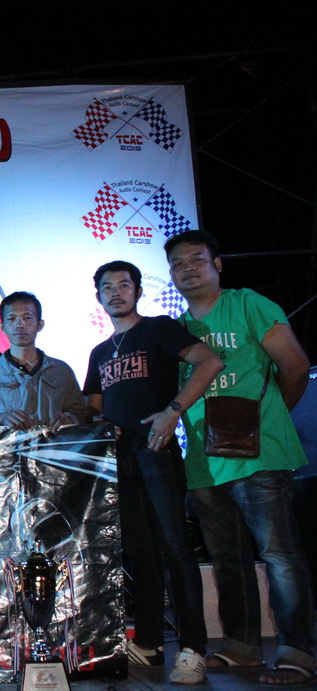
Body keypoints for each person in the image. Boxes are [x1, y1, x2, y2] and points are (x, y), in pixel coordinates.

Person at [165, 230, 315, 686]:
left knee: (279, 554)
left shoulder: (249, 303)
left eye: (197, 259)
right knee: (227, 558)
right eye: (178, 264)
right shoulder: (176, 328)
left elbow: (295, 367)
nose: (188, 269)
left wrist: (268, 418)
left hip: (260, 454)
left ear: (217, 264)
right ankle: (242, 645)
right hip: (203, 462)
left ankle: (297, 650)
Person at [83, 261, 223, 685]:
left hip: (157, 451)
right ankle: (147, 641)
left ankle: (194, 648)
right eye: (108, 287)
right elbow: (93, 409)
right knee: (138, 552)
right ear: (98, 297)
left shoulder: (158, 328)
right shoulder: (100, 352)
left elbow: (209, 361)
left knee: (175, 547)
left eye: (124, 284)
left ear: (138, 291)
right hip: (119, 459)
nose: (116, 292)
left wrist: (172, 411)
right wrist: (99, 426)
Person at [0, 292, 89, 430]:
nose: (20, 325)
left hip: (54, 444)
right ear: (2, 327)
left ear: (40, 325)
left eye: (27, 317)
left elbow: (81, 413)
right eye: (12, 318)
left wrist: (70, 419)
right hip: (9, 445)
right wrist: (0, 419)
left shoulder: (61, 370)